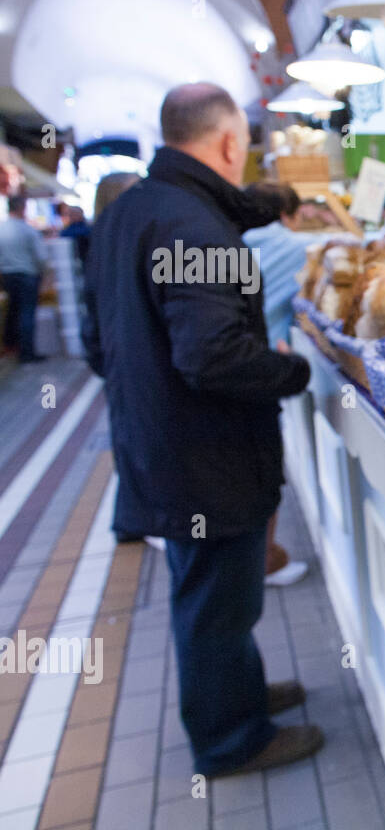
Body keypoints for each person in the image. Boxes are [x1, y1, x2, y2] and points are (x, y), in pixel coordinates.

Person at [82, 82, 324, 777]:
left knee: (214, 594)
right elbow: (211, 354)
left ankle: (238, 696)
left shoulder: (130, 211)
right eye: (243, 150)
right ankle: (230, 739)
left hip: (156, 444)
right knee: (219, 601)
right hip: (204, 460)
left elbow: (95, 343)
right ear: (226, 143)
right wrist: (290, 371)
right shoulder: (195, 229)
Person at [242, 181, 310, 588]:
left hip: (233, 369)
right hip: (268, 366)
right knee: (266, 469)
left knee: (246, 469)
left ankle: (258, 558)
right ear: (287, 213)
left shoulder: (226, 245)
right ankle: (266, 559)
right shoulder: (294, 247)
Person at [0, 193, 50, 362]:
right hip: (27, 274)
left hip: (7, 275)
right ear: (22, 208)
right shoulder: (27, 230)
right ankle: (26, 352)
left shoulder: (2, 229)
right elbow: (41, 258)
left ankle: (10, 346)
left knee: (12, 311)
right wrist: (44, 273)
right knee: (26, 312)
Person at [59, 204, 92, 270]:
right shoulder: (67, 230)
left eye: (74, 214)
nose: (71, 216)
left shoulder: (87, 228)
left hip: (87, 260)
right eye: (71, 214)